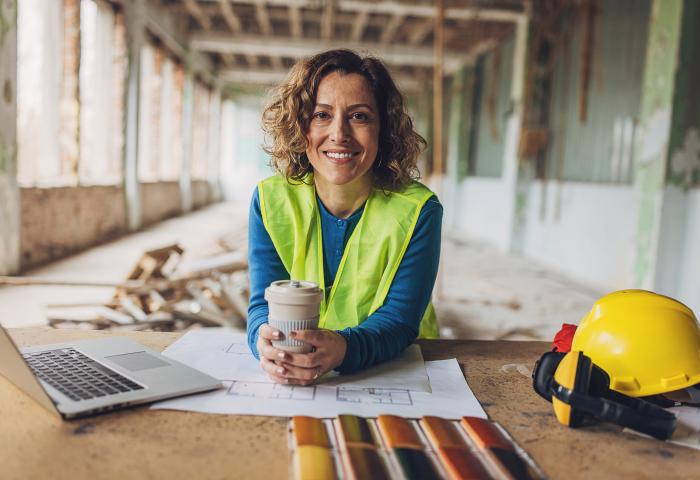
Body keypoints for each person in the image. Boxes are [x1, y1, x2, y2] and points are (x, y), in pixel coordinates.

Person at [247, 49, 443, 385]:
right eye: (321, 115)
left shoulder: (418, 211)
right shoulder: (269, 200)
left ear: (384, 130)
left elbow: (400, 319)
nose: (339, 134)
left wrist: (344, 349)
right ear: (300, 126)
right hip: (299, 373)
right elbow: (261, 303)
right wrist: (263, 341)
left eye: (359, 116)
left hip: (401, 370)